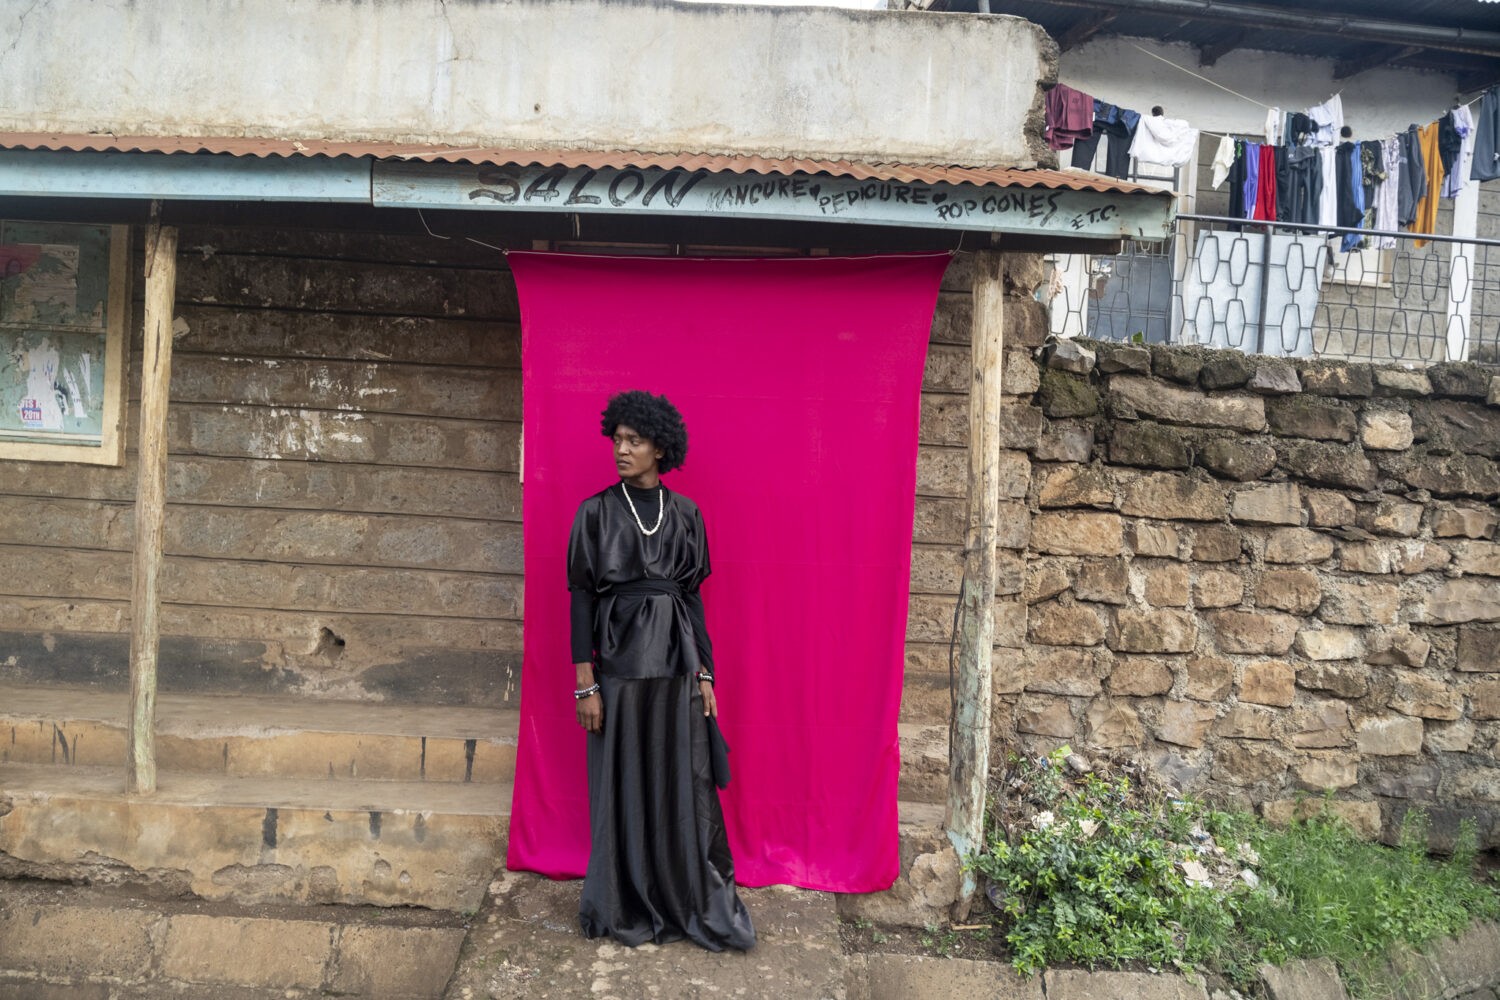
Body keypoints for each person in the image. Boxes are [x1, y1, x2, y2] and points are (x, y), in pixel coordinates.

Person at [567, 390, 756, 952]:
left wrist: (706, 674)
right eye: (617, 440)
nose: (621, 450)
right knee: (621, 781)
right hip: (618, 668)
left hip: (676, 666)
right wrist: (585, 683)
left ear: (660, 448)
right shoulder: (595, 512)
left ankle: (681, 896)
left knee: (681, 781)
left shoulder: (687, 515)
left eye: (635, 441)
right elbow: (581, 599)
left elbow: (691, 601)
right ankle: (622, 900)